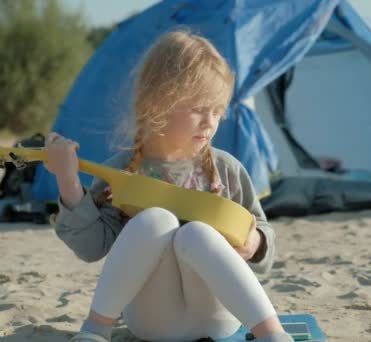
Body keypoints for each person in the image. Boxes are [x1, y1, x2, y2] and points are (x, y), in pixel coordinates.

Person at [45, 30, 293, 342]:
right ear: (157, 102)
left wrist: (255, 242)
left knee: (197, 233)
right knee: (155, 221)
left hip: (217, 318)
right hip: (152, 322)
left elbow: (262, 230)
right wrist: (67, 180)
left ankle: (272, 334)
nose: (210, 121)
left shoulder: (226, 169)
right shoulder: (122, 172)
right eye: (199, 108)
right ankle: (96, 330)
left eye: (217, 110)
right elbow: (91, 247)